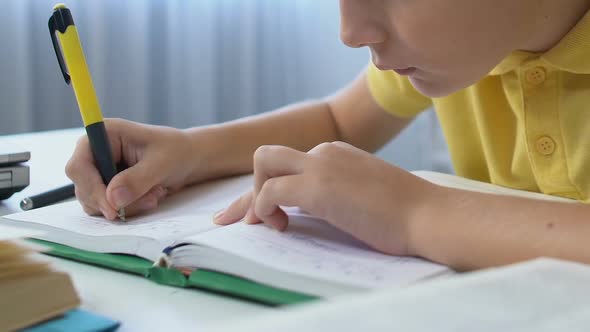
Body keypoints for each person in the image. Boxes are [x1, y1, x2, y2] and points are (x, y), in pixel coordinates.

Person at [66, 0, 590, 270]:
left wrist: (414, 213)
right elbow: (340, 122)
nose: (350, 32)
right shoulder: (469, 41)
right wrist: (189, 151)